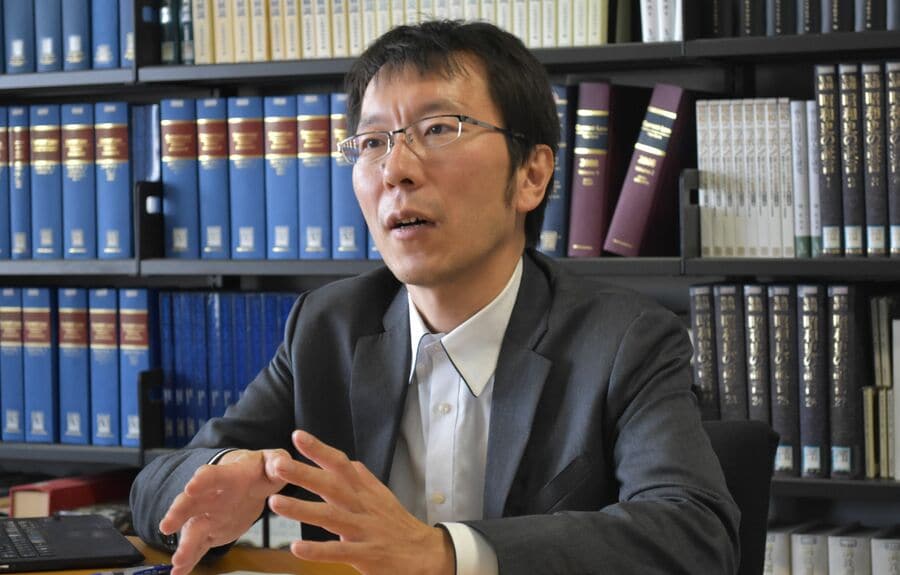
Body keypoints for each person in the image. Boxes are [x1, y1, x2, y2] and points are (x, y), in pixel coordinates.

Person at [131, 20, 740, 575]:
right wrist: (222, 474)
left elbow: (695, 534)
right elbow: (151, 491)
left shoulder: (624, 339)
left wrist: (445, 553)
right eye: (373, 142)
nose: (396, 169)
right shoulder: (329, 325)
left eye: (439, 129)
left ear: (531, 175)